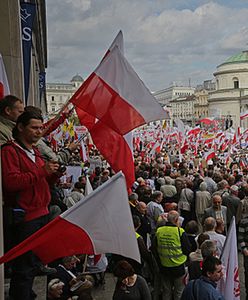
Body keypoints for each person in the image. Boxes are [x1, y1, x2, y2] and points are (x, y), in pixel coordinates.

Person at [1, 111, 62, 300]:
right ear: (20, 127)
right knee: (24, 268)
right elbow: (11, 182)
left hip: (40, 213)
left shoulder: (34, 151)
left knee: (33, 265)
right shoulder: (9, 151)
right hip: (26, 217)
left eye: (41, 128)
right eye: (34, 128)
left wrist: (53, 174)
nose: (39, 132)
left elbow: (40, 181)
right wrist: (42, 171)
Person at [152, 210, 191, 300]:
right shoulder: (180, 231)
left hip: (164, 266)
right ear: (177, 220)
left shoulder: (159, 231)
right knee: (179, 292)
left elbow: (154, 248)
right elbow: (187, 249)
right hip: (178, 267)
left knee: (166, 291)